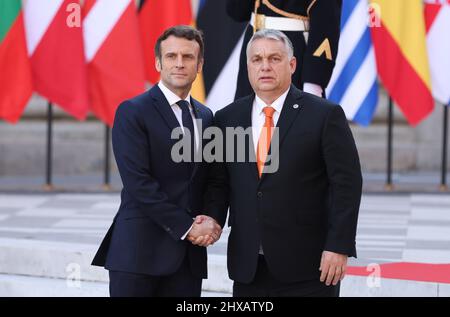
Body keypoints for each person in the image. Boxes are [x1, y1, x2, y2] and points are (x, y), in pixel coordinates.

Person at [204, 29, 362, 297]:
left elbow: (347, 184)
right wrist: (212, 219)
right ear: (248, 67)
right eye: (257, 59)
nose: (265, 66)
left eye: (274, 58)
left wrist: (339, 246)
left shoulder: (324, 115)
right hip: (249, 269)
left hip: (309, 268)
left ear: (292, 65)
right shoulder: (227, 118)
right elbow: (220, 182)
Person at [92, 25, 222, 297]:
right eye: (171, 56)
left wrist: (212, 219)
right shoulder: (133, 112)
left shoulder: (207, 116)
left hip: (188, 261)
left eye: (188, 57)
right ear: (158, 62)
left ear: (199, 65)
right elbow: (139, 184)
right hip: (139, 255)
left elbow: (212, 178)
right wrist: (188, 227)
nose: (179, 63)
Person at [226, 0, 342, 99]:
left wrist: (313, 83)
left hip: (292, 52)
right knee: (246, 118)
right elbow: (236, 12)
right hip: (255, 49)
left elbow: (325, 25)